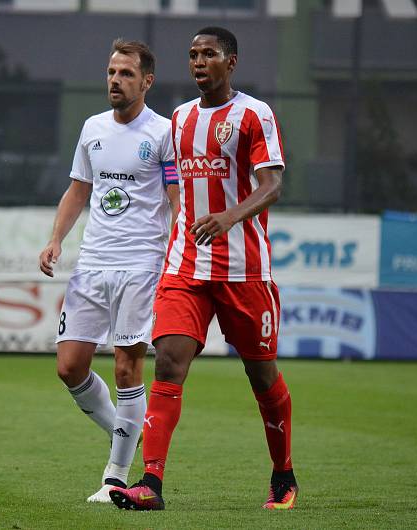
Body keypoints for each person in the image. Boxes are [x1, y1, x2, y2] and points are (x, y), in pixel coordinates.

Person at [109, 27, 298, 511]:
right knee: (169, 361)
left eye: (208, 54)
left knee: (263, 378)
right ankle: (150, 483)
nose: (198, 62)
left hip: (243, 270)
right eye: (192, 55)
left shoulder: (255, 114)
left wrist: (229, 217)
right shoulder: (180, 118)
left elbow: (272, 185)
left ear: (230, 62)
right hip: (186, 265)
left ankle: (283, 474)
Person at [39, 39, 179, 503]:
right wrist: (56, 238)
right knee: (69, 365)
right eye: (111, 72)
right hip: (92, 265)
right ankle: (127, 430)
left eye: (125, 73)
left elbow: (178, 201)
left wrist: (176, 251)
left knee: (126, 367)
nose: (115, 80)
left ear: (146, 81)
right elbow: (78, 189)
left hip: (141, 264)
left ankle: (115, 476)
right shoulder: (92, 128)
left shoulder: (163, 133)